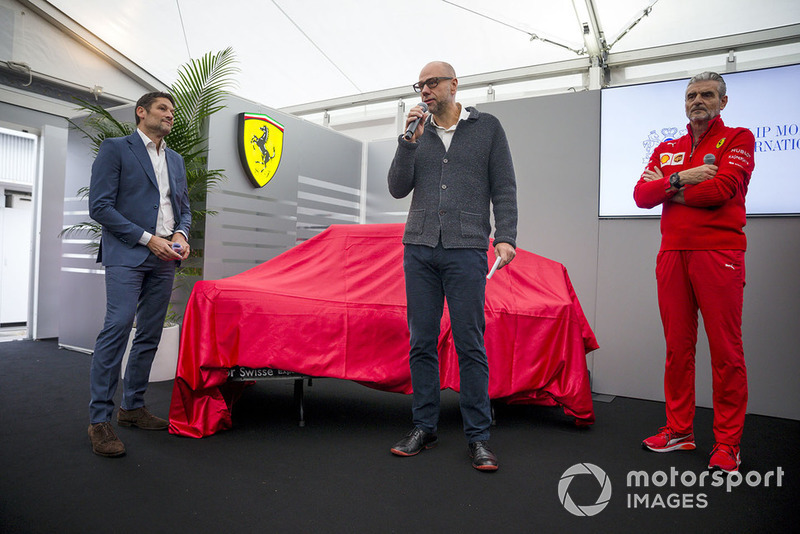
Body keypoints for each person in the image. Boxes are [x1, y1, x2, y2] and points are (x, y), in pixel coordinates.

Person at [387, 61, 518, 472]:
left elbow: (504, 185)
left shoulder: (487, 127)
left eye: (432, 82)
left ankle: (478, 437)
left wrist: (506, 235)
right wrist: (408, 142)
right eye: (419, 84)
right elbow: (396, 187)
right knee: (421, 342)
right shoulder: (416, 133)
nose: (424, 90)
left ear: (453, 85)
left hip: (465, 249)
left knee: (469, 343)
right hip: (420, 249)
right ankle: (423, 427)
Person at [634, 72, 755, 473]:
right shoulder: (668, 147)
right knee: (677, 349)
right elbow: (641, 196)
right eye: (691, 95)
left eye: (706, 94)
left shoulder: (738, 139)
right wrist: (683, 178)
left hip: (719, 254)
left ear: (723, 101)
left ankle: (727, 443)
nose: (697, 101)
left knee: (726, 352)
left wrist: (668, 189)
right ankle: (680, 430)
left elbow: (721, 190)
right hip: (672, 255)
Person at [87, 92, 191, 457]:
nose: (170, 115)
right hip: (129, 254)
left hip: (165, 257)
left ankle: (132, 408)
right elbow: (99, 206)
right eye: (163, 108)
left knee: (148, 333)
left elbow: (184, 209)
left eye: (172, 111)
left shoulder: (175, 160)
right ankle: (100, 420)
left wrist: (181, 234)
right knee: (118, 326)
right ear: (141, 112)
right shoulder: (116, 148)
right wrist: (149, 240)